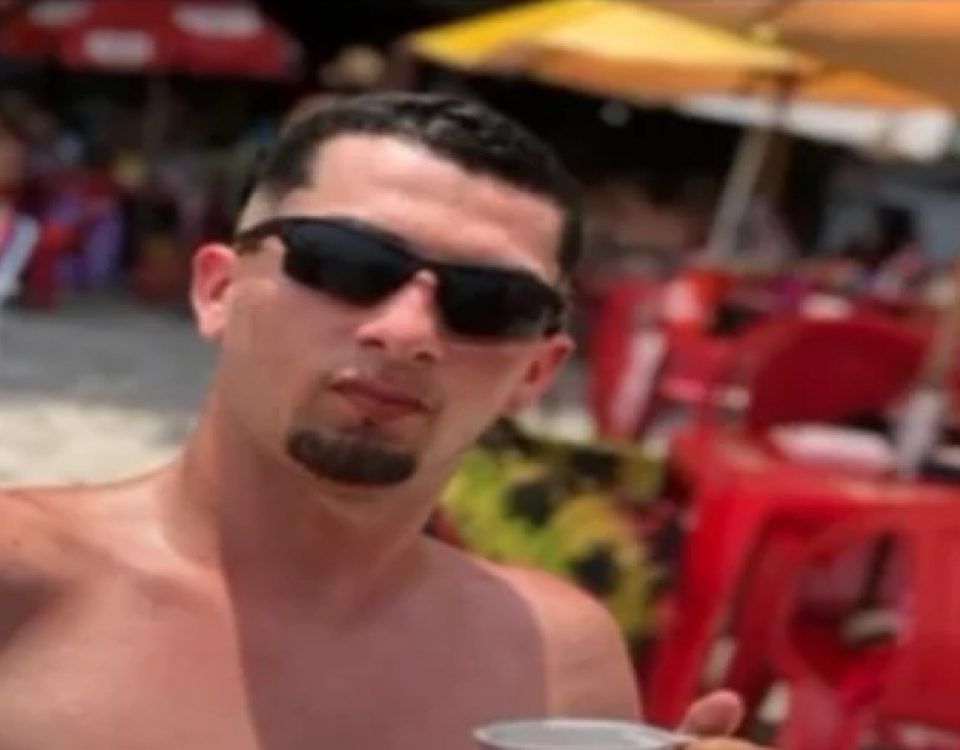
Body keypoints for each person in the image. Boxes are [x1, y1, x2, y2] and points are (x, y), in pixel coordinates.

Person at [0, 92, 760, 749]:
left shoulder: (557, 658)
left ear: (535, 371)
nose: (407, 332)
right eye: (345, 264)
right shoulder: (23, 582)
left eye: (490, 304)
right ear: (219, 291)